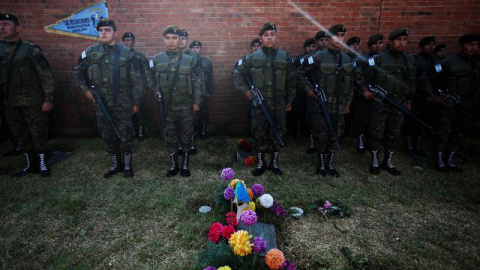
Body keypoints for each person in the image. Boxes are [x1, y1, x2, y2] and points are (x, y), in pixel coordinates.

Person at [74, 19, 143, 178]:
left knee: (125, 134)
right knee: (107, 134)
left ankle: (127, 165)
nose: (103, 33)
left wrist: (136, 102)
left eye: (107, 30)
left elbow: (136, 81)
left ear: (115, 33)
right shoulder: (90, 52)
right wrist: (86, 90)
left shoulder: (126, 53)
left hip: (122, 102)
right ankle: (115, 164)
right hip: (101, 102)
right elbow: (78, 72)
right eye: (101, 30)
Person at [297, 24, 362, 178]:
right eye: (336, 35)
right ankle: (321, 164)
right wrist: (308, 89)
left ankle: (330, 164)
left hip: (339, 106)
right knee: (321, 135)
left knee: (335, 134)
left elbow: (351, 84)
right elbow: (299, 73)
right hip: (321, 105)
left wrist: (348, 103)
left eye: (342, 36)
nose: (339, 39)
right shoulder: (318, 56)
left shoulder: (347, 60)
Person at [233, 22, 295, 176]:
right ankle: (261, 163)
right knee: (259, 133)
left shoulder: (285, 57)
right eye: (266, 35)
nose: (269, 38)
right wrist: (246, 91)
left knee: (277, 132)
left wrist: (290, 101)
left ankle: (274, 162)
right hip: (259, 104)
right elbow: (237, 74)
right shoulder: (251, 57)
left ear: (276, 36)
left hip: (279, 103)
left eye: (272, 35)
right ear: (260, 38)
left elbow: (291, 81)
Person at [0, 13, 54, 177]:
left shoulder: (30, 49)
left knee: (38, 132)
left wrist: (48, 99)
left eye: (7, 24)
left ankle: (43, 163)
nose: (2, 27)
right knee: (20, 133)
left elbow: (46, 75)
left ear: (18, 28)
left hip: (32, 101)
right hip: (9, 101)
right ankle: (30, 163)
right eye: (0, 25)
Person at [363, 28, 417, 175]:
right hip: (381, 103)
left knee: (393, 134)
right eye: (399, 39)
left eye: (404, 40)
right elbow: (359, 73)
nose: (402, 42)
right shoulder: (379, 58)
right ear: (392, 41)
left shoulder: (410, 60)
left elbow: (411, 82)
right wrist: (365, 90)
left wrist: (408, 99)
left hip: (399, 104)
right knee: (376, 133)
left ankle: (388, 161)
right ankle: (375, 160)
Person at [149, 25, 201, 177]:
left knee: (186, 135)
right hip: (167, 106)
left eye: (174, 38)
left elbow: (198, 82)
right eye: (168, 38)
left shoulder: (190, 60)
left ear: (180, 40)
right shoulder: (157, 59)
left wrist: (196, 102)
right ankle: (174, 165)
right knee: (170, 136)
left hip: (185, 106)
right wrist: (155, 90)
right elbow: (149, 77)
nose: (171, 41)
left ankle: (185, 164)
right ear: (164, 40)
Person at [432, 34, 480, 172]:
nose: (473, 47)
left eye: (476, 44)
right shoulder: (446, 62)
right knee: (443, 132)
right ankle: (440, 159)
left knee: (459, 133)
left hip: (468, 105)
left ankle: (449, 158)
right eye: (470, 44)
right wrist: (436, 96)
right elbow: (431, 78)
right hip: (449, 104)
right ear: (461, 45)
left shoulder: (476, 63)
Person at [404, 36, 438, 155]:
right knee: (411, 118)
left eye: (433, 44)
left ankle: (417, 142)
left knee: (424, 119)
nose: (431, 47)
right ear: (421, 46)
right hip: (416, 94)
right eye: (428, 44)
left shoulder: (436, 61)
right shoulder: (415, 60)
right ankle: (408, 142)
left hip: (429, 97)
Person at [351, 34, 384, 154]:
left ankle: (371, 142)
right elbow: (357, 75)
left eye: (380, 42)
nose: (378, 45)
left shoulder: (386, 59)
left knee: (376, 121)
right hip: (364, 95)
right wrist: (364, 90)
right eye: (375, 43)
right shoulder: (362, 59)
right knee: (362, 118)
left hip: (380, 96)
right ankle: (360, 139)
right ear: (370, 46)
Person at [121, 31, 154, 141]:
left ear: (133, 42)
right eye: (125, 41)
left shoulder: (140, 57)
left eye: (129, 40)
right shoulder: (119, 57)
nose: (127, 43)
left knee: (139, 111)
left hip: (138, 90)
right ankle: (129, 133)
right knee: (126, 112)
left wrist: (148, 87)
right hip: (124, 90)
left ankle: (140, 132)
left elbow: (147, 72)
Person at [190, 40, 214, 139]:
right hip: (192, 93)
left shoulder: (206, 62)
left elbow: (210, 78)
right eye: (193, 48)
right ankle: (194, 132)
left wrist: (210, 91)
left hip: (204, 92)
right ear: (190, 49)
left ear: (200, 49)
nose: (195, 50)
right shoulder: (188, 61)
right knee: (193, 114)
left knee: (204, 113)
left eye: (197, 48)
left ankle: (203, 131)